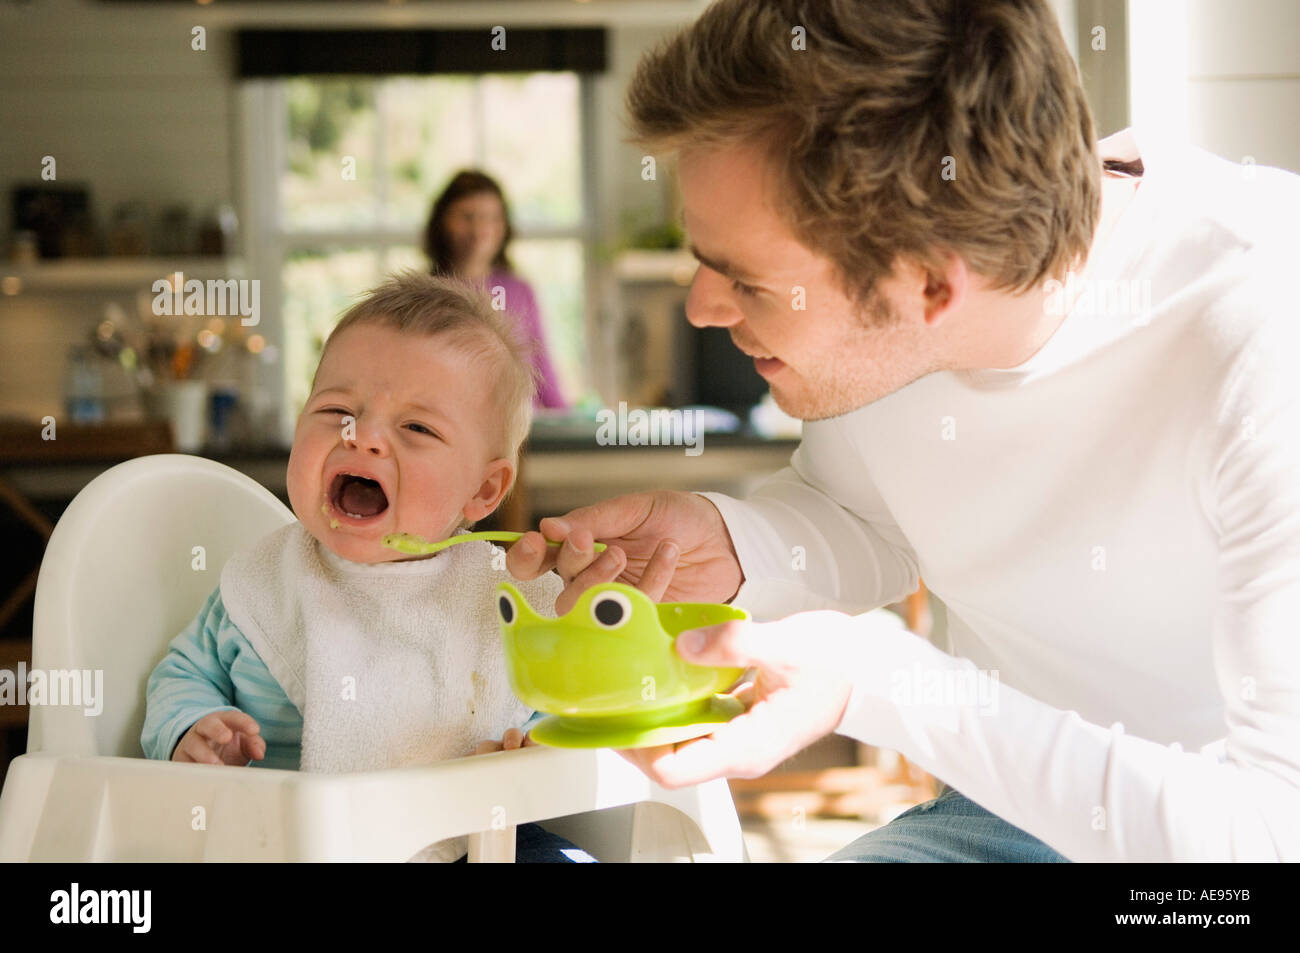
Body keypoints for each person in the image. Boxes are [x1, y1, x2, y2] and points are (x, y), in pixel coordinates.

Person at [505, 0, 1300, 862]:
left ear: (929, 284)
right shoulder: (892, 309)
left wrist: (889, 684)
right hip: (1002, 813)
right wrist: (739, 547)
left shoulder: (1265, 329)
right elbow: (868, 514)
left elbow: (1265, 837)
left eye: (747, 281)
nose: (701, 308)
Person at [141, 271, 595, 863]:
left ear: (483, 492)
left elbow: (564, 708)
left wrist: (532, 752)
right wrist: (190, 728)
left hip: (473, 842)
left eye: (416, 427)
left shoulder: (502, 597)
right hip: (282, 845)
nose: (365, 439)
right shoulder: (263, 583)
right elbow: (181, 673)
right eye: (337, 410)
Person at [425, 169, 569, 410]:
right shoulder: (425, 295)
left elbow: (542, 370)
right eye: (467, 217)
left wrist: (568, 423)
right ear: (442, 221)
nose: (478, 230)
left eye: (490, 218)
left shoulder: (521, 291)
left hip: (523, 433)